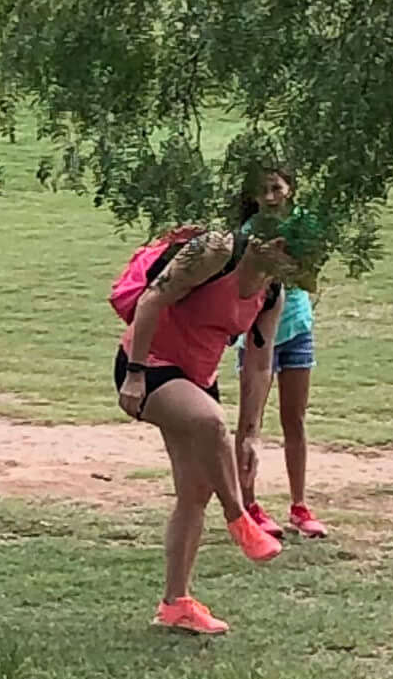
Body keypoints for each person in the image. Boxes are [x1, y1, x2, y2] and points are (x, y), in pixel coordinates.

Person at [115, 168, 321, 638]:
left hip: (195, 376)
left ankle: (175, 604)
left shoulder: (272, 292)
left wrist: (251, 434)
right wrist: (135, 374)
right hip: (148, 364)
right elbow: (150, 301)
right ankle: (240, 518)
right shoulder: (215, 251)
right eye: (285, 250)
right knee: (210, 423)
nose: (287, 263)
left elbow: (257, 363)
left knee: (193, 493)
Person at [237, 268, 329, 539]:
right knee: (251, 420)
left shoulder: (303, 233)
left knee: (295, 419)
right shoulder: (256, 231)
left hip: (297, 327)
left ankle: (299, 507)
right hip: (258, 330)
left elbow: (308, 277)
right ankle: (248, 506)